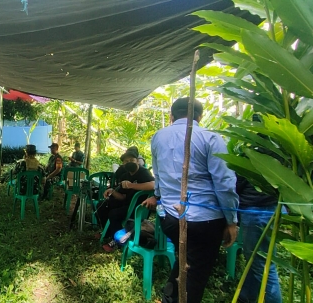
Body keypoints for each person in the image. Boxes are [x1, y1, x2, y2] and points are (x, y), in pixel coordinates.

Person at [143, 97, 238, 303]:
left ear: (171, 116)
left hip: (171, 218)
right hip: (205, 221)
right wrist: (231, 220)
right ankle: (179, 297)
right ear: (199, 116)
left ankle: (170, 295)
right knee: (195, 274)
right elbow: (225, 183)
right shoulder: (210, 138)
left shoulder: (159, 137)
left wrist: (160, 197)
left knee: (185, 260)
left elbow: (157, 175)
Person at [236, 175, 282, 303]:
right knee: (255, 259)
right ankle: (246, 297)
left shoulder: (255, 154)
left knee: (262, 265)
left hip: (256, 210)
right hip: (268, 207)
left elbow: (239, 179)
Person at [98, 159, 155, 252]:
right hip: (127, 204)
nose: (129, 162)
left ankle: (118, 242)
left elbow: (153, 185)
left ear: (137, 161)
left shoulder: (143, 172)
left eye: (131, 160)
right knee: (102, 205)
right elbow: (122, 197)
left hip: (139, 208)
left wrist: (131, 185)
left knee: (114, 214)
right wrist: (112, 191)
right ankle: (107, 233)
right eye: (126, 161)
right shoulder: (125, 175)